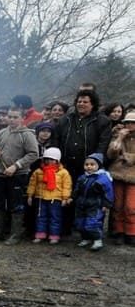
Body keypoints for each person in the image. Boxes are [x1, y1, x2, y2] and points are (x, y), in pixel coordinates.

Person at [55, 89, 112, 235]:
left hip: (89, 168)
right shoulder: (66, 119)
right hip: (66, 165)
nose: (81, 104)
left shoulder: (102, 121)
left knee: (89, 200)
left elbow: (103, 144)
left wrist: (95, 163)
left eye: (85, 102)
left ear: (93, 104)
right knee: (67, 195)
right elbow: (56, 140)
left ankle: (90, 231)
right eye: (79, 101)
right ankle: (65, 228)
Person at [0, 107, 39, 244]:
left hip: (18, 175)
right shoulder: (1, 133)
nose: (12, 120)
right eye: (10, 117)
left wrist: (16, 166)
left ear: (22, 118)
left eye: (15, 117)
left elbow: (33, 154)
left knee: (16, 205)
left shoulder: (27, 134)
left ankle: (15, 234)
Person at [26, 147, 72, 244]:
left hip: (55, 198)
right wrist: (30, 195)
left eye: (51, 159)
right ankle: (40, 233)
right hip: (41, 198)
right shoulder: (38, 171)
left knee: (55, 217)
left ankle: (54, 235)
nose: (49, 161)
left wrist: (65, 198)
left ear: (57, 160)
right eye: (46, 159)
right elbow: (32, 183)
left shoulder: (63, 173)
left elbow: (67, 186)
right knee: (40, 216)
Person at [70, 153, 113, 251]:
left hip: (95, 205)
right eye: (87, 164)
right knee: (80, 223)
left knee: (92, 223)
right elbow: (77, 189)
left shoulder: (103, 178)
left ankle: (97, 240)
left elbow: (108, 192)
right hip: (82, 204)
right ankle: (86, 238)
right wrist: (72, 197)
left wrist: (106, 204)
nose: (89, 167)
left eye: (92, 164)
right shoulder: (82, 177)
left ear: (98, 165)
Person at [106, 112, 135, 245]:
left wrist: (128, 157)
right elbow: (111, 154)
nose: (130, 125)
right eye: (127, 122)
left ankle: (131, 232)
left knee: (130, 206)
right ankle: (119, 231)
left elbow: (130, 159)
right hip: (117, 173)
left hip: (133, 176)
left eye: (132, 123)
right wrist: (119, 139)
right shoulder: (118, 135)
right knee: (117, 205)